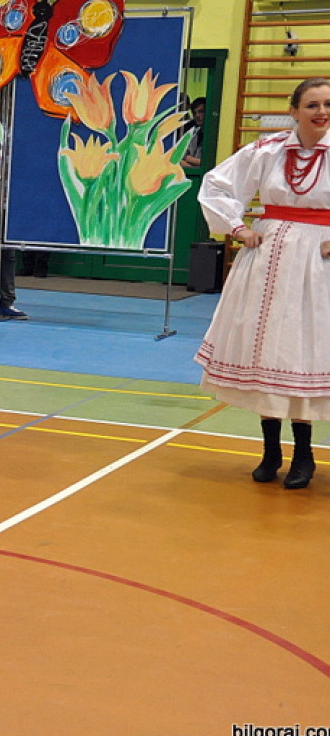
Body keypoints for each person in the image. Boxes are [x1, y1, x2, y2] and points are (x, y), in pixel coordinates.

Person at [195, 77, 330, 490]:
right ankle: (271, 451)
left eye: (327, 104)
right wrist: (237, 228)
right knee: (266, 350)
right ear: (294, 110)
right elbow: (216, 185)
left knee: (302, 353)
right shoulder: (268, 150)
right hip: (268, 260)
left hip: (318, 265)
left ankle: (304, 455)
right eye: (312, 105)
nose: (321, 112)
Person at [180, 97, 206, 169]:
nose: (197, 115)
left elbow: (209, 163)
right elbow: (181, 156)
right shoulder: (194, 132)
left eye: (201, 111)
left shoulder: (215, 134)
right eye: (194, 113)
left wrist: (189, 159)